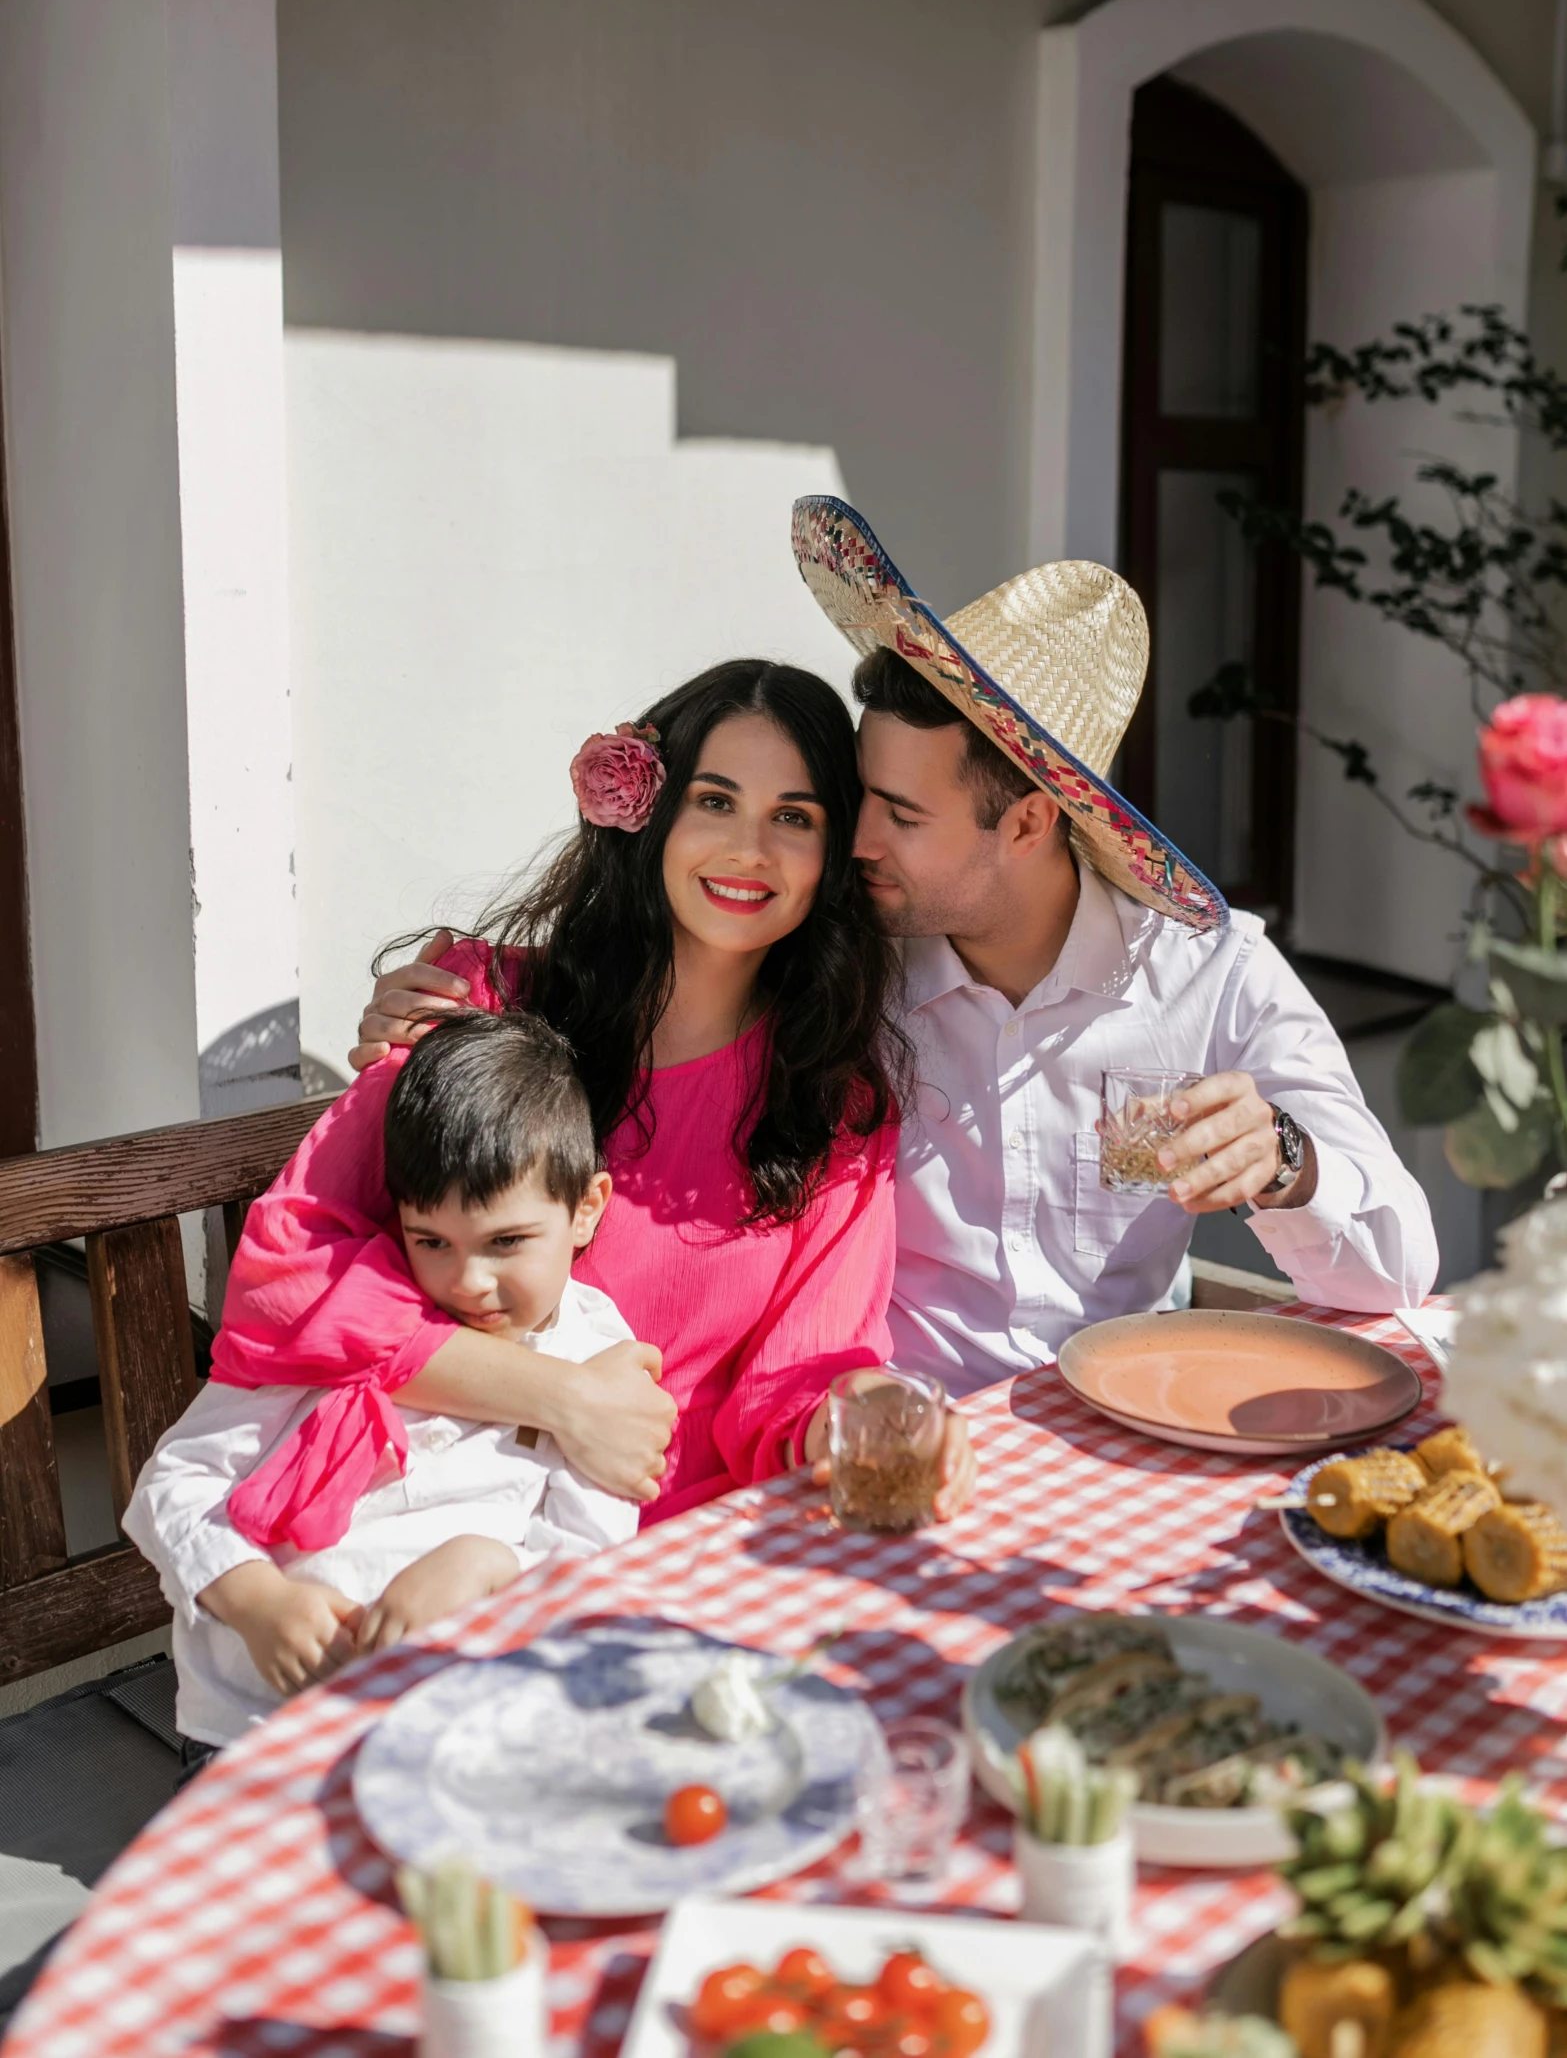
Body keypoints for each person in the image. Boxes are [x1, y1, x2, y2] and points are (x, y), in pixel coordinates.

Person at [358, 503, 1440, 1401]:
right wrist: (492, 999)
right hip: (878, 1438)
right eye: (854, 800)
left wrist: (1285, 1162)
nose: (853, 843)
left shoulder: (1211, 976)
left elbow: (1400, 1267)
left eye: (899, 816)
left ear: (1025, 822)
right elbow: (659, 971)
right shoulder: (842, 959)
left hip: (1117, 1443)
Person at [218, 657, 978, 1526]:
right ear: (650, 815)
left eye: (793, 818)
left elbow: (797, 1380)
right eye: (715, 801)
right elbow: (284, 1277)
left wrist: (868, 1414)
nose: (748, 850)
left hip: (671, 1546)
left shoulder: (829, 1102)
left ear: (832, 857)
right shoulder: (479, 1006)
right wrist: (562, 1398)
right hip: (426, 1519)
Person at [125, 1012, 640, 1754]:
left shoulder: (598, 1357)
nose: (468, 1281)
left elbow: (589, 1570)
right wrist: (258, 1600)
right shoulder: (345, 1319)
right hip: (264, 1730)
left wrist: (490, 1563)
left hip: (460, 1728)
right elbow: (174, 1483)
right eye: (431, 1241)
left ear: (585, 1209)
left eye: (507, 1243)